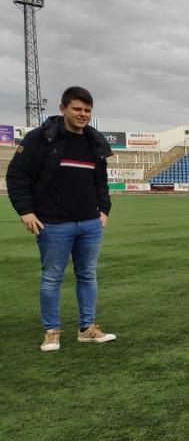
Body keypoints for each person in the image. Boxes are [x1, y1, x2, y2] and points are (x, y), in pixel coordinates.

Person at [6, 86, 117, 352]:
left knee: (88, 275)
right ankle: (51, 331)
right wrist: (25, 211)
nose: (83, 114)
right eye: (77, 109)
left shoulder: (94, 141)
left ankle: (87, 328)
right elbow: (16, 175)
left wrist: (103, 210)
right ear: (63, 108)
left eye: (87, 110)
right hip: (53, 223)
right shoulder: (40, 138)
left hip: (89, 223)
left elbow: (100, 182)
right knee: (52, 277)